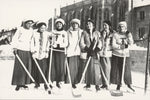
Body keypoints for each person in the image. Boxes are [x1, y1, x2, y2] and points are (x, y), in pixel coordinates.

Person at [110, 21, 135, 92]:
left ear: (125, 27)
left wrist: (129, 36)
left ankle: (129, 84)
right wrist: (120, 46)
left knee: (127, 70)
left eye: (123, 26)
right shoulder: (115, 34)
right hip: (117, 54)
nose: (121, 28)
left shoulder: (128, 34)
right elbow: (113, 45)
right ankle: (118, 85)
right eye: (120, 26)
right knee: (118, 70)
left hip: (125, 54)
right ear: (118, 27)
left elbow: (131, 43)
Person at [11, 19, 34, 91]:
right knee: (20, 67)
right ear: (25, 23)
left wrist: (32, 50)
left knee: (27, 67)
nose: (29, 25)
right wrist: (15, 48)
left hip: (28, 50)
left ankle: (24, 83)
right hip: (20, 49)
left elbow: (32, 40)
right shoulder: (20, 29)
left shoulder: (31, 30)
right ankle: (18, 83)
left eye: (31, 24)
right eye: (28, 23)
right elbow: (15, 38)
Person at [80, 19, 102, 91]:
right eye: (87, 24)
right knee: (88, 68)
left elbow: (100, 42)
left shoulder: (97, 33)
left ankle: (97, 85)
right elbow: (81, 42)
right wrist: (87, 48)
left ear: (93, 25)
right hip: (88, 52)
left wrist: (97, 49)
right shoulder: (84, 33)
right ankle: (88, 84)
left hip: (95, 53)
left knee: (96, 69)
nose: (88, 25)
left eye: (90, 24)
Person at [31, 22, 51, 90]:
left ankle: (46, 83)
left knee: (44, 69)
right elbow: (32, 43)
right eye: (41, 28)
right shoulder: (34, 34)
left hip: (43, 53)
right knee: (36, 69)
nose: (43, 29)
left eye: (44, 28)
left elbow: (48, 43)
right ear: (38, 28)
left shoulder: (47, 34)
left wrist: (47, 51)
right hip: (36, 53)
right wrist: (33, 51)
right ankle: (37, 83)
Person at [50, 18, 68, 88]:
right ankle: (51, 81)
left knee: (60, 66)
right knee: (53, 66)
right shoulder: (53, 32)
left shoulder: (64, 33)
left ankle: (59, 81)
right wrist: (51, 42)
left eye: (60, 24)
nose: (59, 25)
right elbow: (50, 40)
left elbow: (66, 43)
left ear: (62, 25)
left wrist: (60, 45)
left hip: (61, 50)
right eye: (57, 24)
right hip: (53, 50)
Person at [66, 18, 83, 89]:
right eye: (73, 24)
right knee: (70, 68)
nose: (75, 25)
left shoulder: (81, 32)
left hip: (77, 51)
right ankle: (69, 81)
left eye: (76, 24)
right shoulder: (68, 32)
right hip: (70, 51)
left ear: (78, 25)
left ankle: (75, 82)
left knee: (76, 68)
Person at [99, 20, 114, 89]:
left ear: (109, 26)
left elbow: (113, 43)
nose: (104, 26)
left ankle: (107, 83)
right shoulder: (101, 33)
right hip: (102, 53)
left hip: (108, 53)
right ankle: (103, 83)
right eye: (104, 25)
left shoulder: (112, 33)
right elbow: (99, 42)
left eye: (106, 25)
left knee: (107, 69)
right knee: (102, 68)